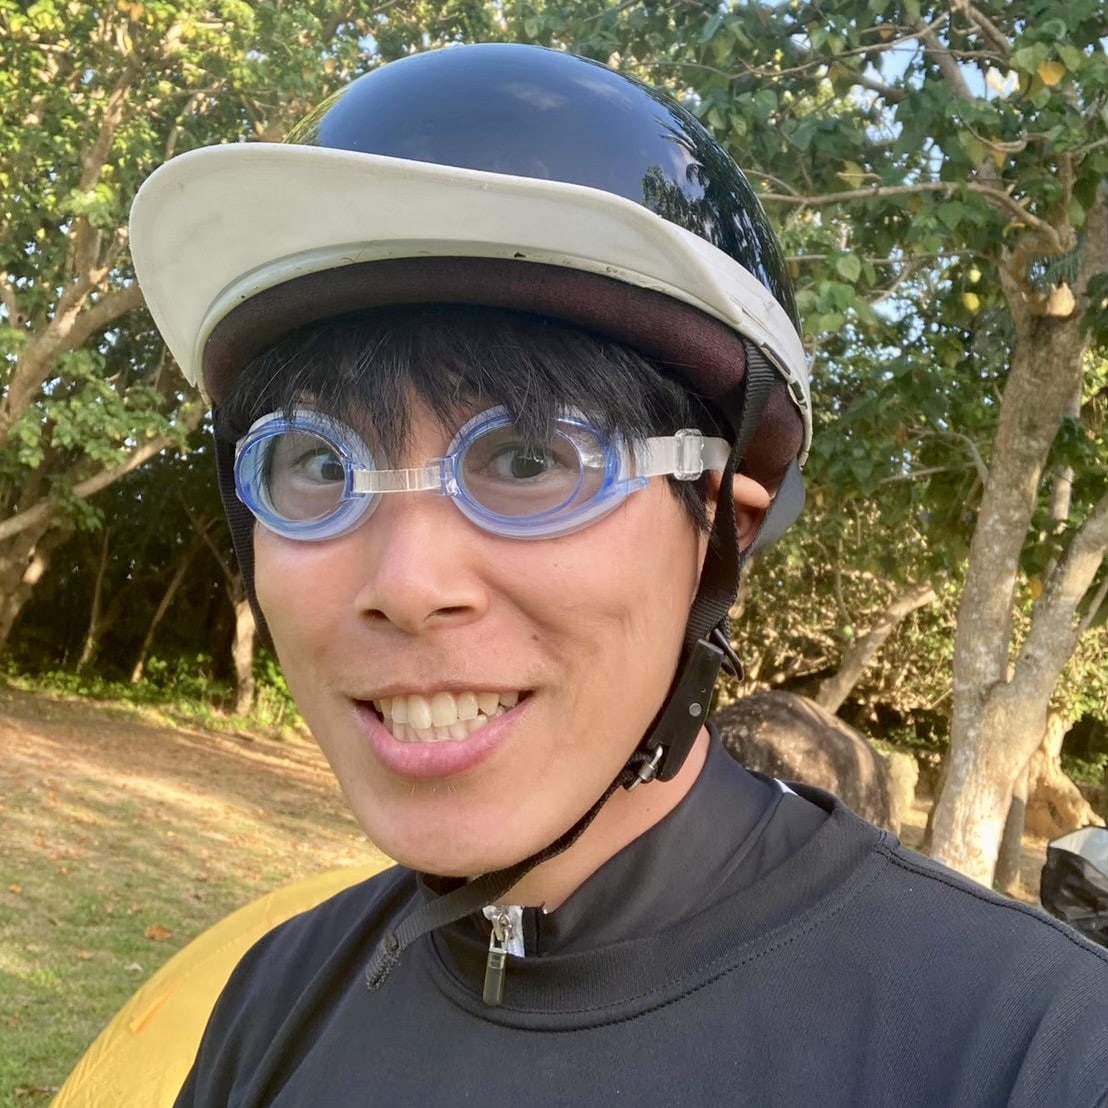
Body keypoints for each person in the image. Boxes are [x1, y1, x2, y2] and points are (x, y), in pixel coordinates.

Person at [130, 42, 1108, 1107]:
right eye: (321, 467)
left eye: (528, 459)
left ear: (719, 532)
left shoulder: (1032, 1048)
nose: (406, 584)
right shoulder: (281, 991)